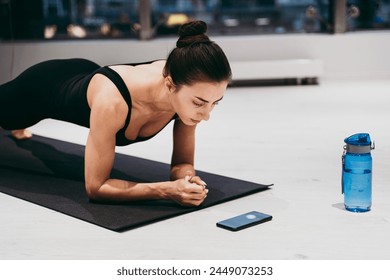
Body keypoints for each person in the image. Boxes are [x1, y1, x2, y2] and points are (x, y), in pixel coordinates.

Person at [0, 20, 232, 207]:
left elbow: (181, 162)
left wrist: (186, 179)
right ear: (170, 85)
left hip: (86, 74)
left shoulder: (187, 85)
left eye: (215, 103)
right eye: (200, 103)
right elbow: (96, 188)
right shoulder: (113, 103)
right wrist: (166, 190)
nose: (206, 115)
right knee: (10, 118)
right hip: (44, 85)